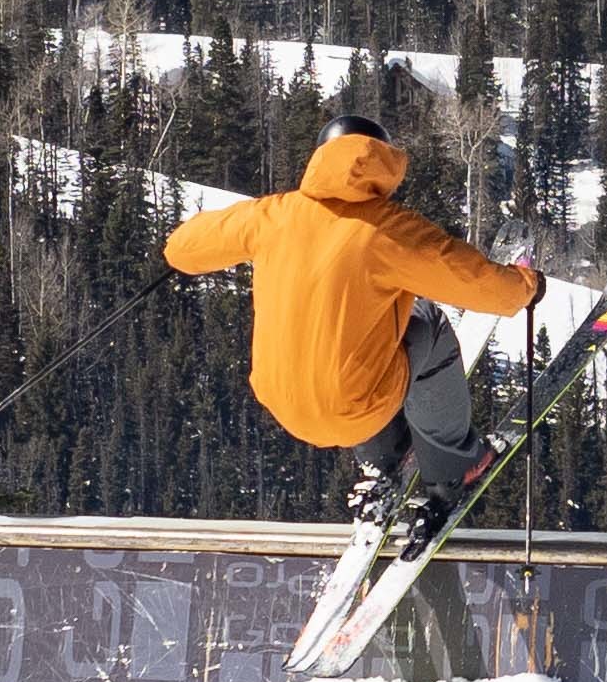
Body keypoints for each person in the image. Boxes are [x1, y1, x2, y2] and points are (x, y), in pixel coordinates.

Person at [161, 117, 548, 529]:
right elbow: (488, 290)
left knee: (354, 343)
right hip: (356, 406)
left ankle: (385, 458)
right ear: (386, 163)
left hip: (282, 404)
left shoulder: (273, 215)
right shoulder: (387, 229)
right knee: (428, 322)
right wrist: (528, 285)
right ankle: (455, 464)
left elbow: (180, 250)